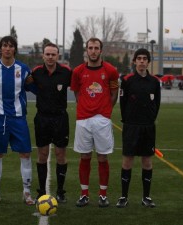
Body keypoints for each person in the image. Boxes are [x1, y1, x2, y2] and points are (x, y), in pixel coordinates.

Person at [70, 37, 119, 208]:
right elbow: (76, 93)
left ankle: (103, 195)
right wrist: (85, 107)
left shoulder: (111, 70)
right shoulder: (77, 71)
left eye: (96, 48)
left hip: (102, 120)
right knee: (84, 156)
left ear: (101, 50)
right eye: (90, 48)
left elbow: (114, 94)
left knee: (102, 157)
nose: (93, 51)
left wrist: (105, 112)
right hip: (83, 119)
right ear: (86, 50)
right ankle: (84, 194)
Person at [0, 36, 35, 205]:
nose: (7, 49)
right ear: (0, 49)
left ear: (15, 49)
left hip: (18, 118)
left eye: (10, 46)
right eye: (4, 46)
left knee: (26, 154)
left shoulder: (23, 69)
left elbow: (33, 87)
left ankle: (27, 193)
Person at [116, 48, 161, 208]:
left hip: (148, 127)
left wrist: (149, 119)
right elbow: (122, 103)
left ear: (148, 62)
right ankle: (123, 197)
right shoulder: (127, 80)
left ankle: (146, 197)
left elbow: (157, 104)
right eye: (139, 58)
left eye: (144, 58)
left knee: (147, 161)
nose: (142, 61)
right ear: (134, 61)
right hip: (131, 127)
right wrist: (129, 120)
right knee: (127, 161)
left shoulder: (155, 82)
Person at [30, 43, 72, 203]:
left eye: (53, 54)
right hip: (42, 118)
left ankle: (60, 192)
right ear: (43, 55)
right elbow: (27, 85)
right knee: (42, 154)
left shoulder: (67, 72)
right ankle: (41, 192)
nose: (50, 57)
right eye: (47, 54)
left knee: (60, 154)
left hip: (60, 118)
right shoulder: (36, 72)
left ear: (58, 56)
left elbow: (78, 86)